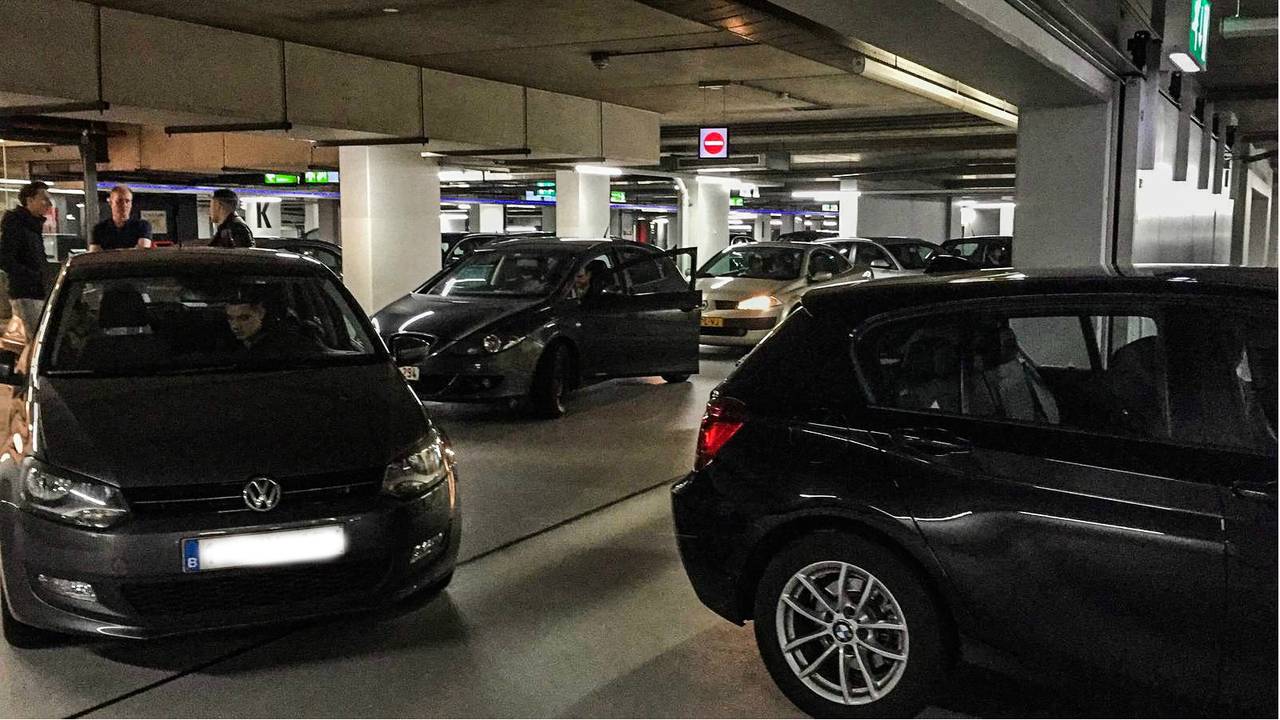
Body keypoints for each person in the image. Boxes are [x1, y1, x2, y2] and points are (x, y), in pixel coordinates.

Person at [0, 182, 53, 339]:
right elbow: (4, 258)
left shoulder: (32, 225)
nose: (49, 204)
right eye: (44, 199)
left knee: (36, 338)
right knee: (36, 338)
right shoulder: (16, 224)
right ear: (29, 201)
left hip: (36, 290)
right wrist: (32, 276)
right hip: (26, 292)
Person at [224, 288, 322, 357]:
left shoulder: (285, 345)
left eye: (244, 318)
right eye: (230, 318)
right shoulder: (222, 345)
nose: (235, 326)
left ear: (261, 313)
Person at [90, 185, 152, 251]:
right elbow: (94, 256)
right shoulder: (99, 229)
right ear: (111, 203)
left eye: (127, 201)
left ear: (131, 204)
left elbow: (141, 253)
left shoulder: (143, 226)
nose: (124, 205)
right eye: (119, 201)